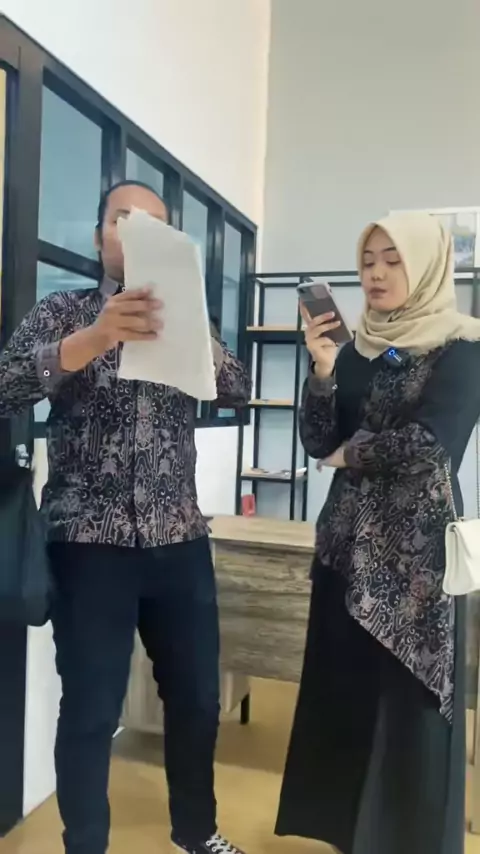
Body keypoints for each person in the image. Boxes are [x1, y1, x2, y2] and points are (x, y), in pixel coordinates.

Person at [0, 179, 251, 854]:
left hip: (180, 538)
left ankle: (196, 833)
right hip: (88, 542)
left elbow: (238, 389)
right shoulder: (64, 312)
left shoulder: (193, 321)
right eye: (122, 220)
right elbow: (4, 386)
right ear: (99, 237)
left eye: (153, 225)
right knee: (90, 710)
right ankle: (85, 845)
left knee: (197, 701)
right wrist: (91, 340)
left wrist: (195, 331)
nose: (135, 234)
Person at [275, 211, 480, 854]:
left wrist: (349, 455)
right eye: (367, 262)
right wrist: (322, 372)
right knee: (347, 695)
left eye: (393, 260)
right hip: (345, 547)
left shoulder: (464, 348)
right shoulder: (365, 349)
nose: (376, 274)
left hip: (413, 558)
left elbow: (431, 443)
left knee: (409, 705)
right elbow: (318, 441)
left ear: (427, 267)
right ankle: (347, 835)